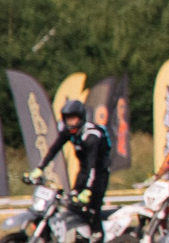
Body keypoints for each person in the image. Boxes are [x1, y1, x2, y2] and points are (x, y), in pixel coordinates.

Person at [35, 97, 114, 233]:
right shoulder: (68, 132)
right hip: (84, 172)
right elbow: (54, 149)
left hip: (98, 174)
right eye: (67, 118)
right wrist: (40, 168)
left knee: (92, 211)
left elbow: (92, 164)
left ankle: (98, 242)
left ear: (81, 118)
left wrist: (88, 190)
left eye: (73, 118)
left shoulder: (91, 136)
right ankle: (79, 241)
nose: (70, 122)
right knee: (73, 207)